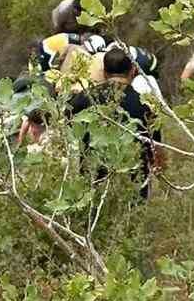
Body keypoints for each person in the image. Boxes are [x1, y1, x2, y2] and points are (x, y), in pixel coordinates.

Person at [66, 46, 162, 200]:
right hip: (134, 186)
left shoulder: (83, 100)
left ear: (104, 72)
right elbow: (156, 149)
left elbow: (66, 131)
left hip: (93, 184)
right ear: (133, 71)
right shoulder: (145, 105)